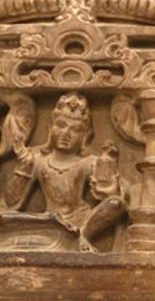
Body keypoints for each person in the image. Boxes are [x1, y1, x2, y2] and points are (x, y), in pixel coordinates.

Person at [5, 91, 128, 252]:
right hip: (50, 221)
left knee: (116, 204)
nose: (66, 134)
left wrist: (108, 175)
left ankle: (82, 236)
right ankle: (62, 239)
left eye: (76, 129)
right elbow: (12, 203)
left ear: (86, 136)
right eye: (61, 125)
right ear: (50, 128)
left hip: (82, 221)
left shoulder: (89, 162)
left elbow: (111, 198)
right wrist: (24, 166)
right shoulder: (38, 160)